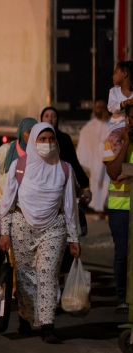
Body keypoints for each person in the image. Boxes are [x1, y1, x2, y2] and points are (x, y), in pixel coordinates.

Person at [0, 122, 81, 343]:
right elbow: (7, 203)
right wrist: (4, 233)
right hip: (21, 226)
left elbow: (69, 207)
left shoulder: (64, 169)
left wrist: (73, 238)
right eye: (42, 139)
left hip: (53, 228)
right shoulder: (19, 166)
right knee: (25, 277)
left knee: (47, 274)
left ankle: (47, 325)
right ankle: (25, 320)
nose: (47, 144)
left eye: (51, 139)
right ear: (33, 142)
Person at [103, 103, 133, 314]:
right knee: (122, 254)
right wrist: (126, 144)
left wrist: (128, 171)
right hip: (120, 207)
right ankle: (123, 296)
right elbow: (114, 172)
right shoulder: (113, 139)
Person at [41, 107, 92, 204]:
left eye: (53, 116)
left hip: (61, 186)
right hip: (42, 187)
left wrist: (85, 186)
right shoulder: (35, 138)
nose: (50, 119)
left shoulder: (64, 139)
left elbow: (73, 162)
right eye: (46, 116)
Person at [77, 100, 110, 219]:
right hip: (95, 160)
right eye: (98, 108)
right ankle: (100, 212)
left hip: (109, 158)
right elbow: (84, 134)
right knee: (97, 184)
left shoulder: (112, 123)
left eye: (102, 107)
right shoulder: (92, 124)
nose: (100, 110)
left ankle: (108, 211)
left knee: (109, 183)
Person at [0, 118, 38, 203]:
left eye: (36, 132)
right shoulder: (6, 150)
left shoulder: (40, 154)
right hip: (6, 202)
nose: (33, 136)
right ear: (21, 132)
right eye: (29, 132)